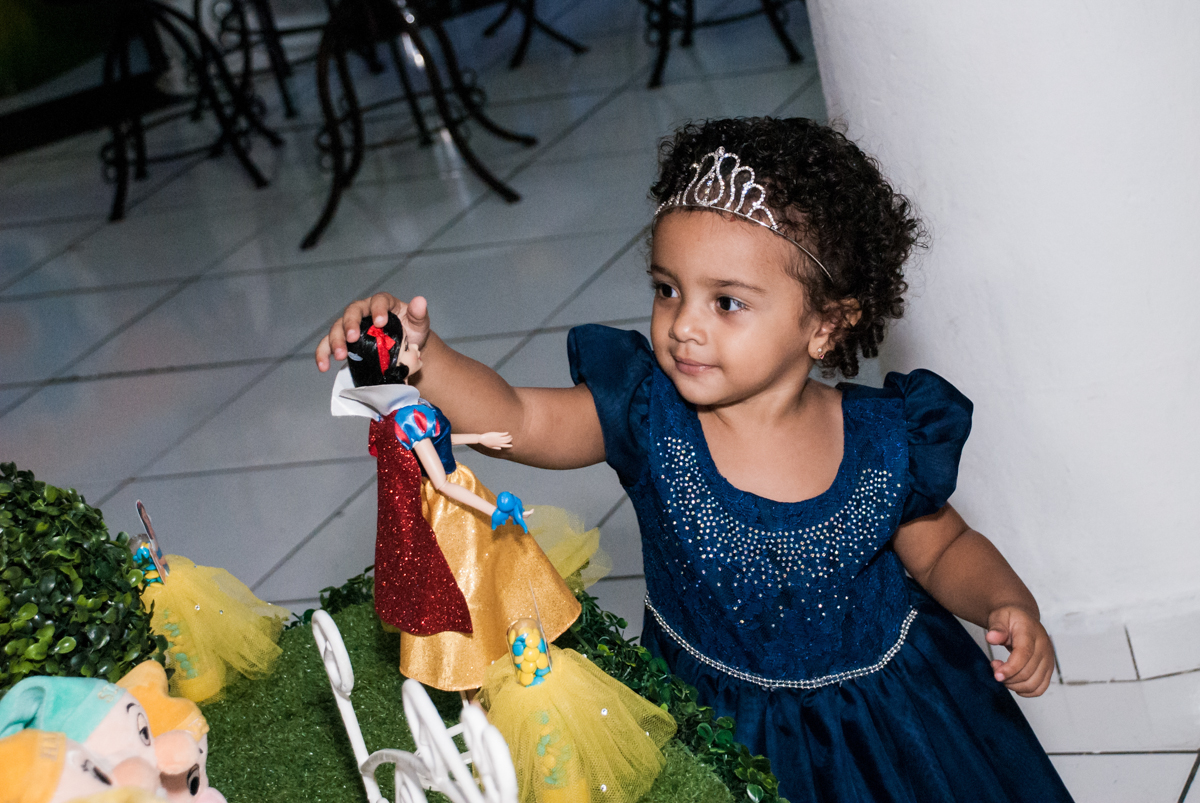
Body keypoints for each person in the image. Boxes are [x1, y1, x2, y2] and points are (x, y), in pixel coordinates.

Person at [316, 117, 1071, 802]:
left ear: (826, 325)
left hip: (892, 727)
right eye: (668, 289)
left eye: (727, 302)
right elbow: (519, 416)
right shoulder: (651, 417)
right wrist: (422, 357)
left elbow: (945, 549)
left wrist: (1008, 602)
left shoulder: (883, 439)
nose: (683, 326)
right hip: (715, 732)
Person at [332, 314, 583, 693]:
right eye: (407, 348)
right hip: (453, 508)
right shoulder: (409, 415)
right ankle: (476, 677)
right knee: (472, 581)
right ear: (395, 364)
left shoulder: (396, 412)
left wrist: (479, 435)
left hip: (444, 497)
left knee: (491, 570)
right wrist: (491, 509)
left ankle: (496, 655)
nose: (416, 351)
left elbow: (435, 444)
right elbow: (441, 482)